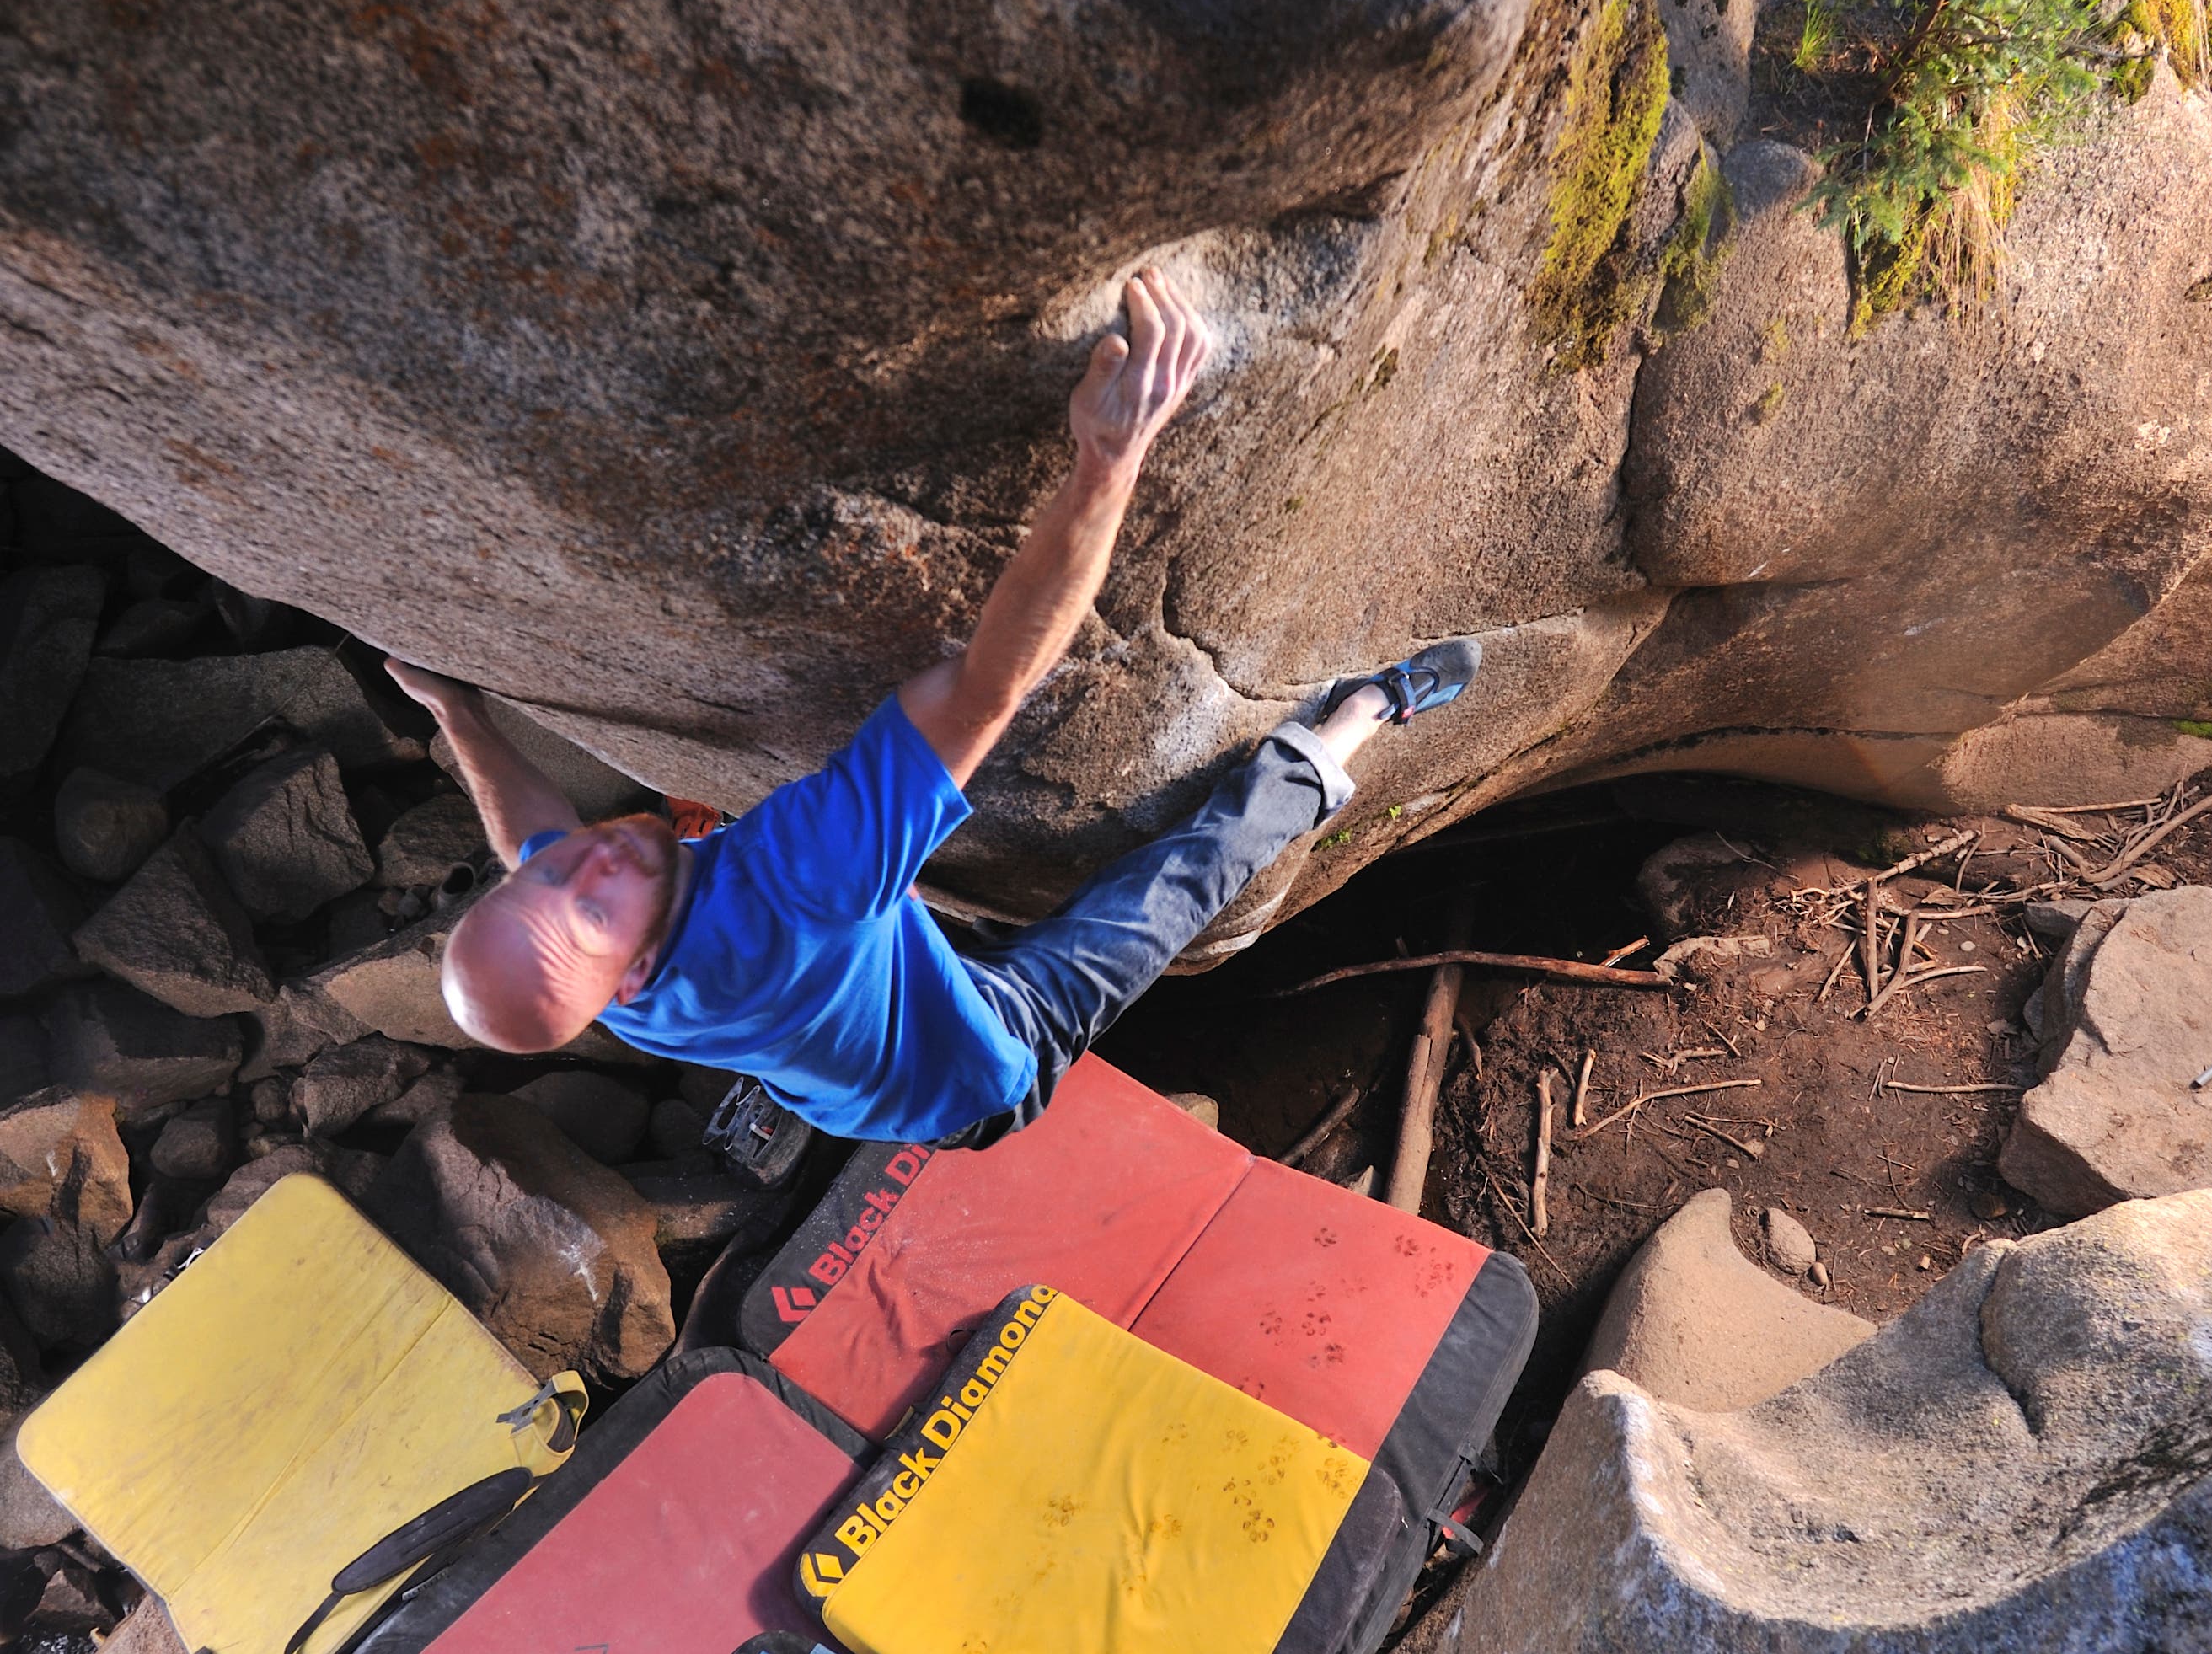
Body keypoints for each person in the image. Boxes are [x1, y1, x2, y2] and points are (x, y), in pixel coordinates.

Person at [391, 270, 1478, 1149]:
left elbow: (529, 834)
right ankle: (1358, 721)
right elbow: (987, 686)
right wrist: (1110, 458)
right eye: (584, 902)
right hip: (984, 1072)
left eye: (546, 873)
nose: (581, 861)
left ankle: (899, 963)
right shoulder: (799, 888)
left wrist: (461, 717)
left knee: (809, 913)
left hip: (843, 1080)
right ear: (624, 979)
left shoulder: (581, 960)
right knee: (1171, 890)